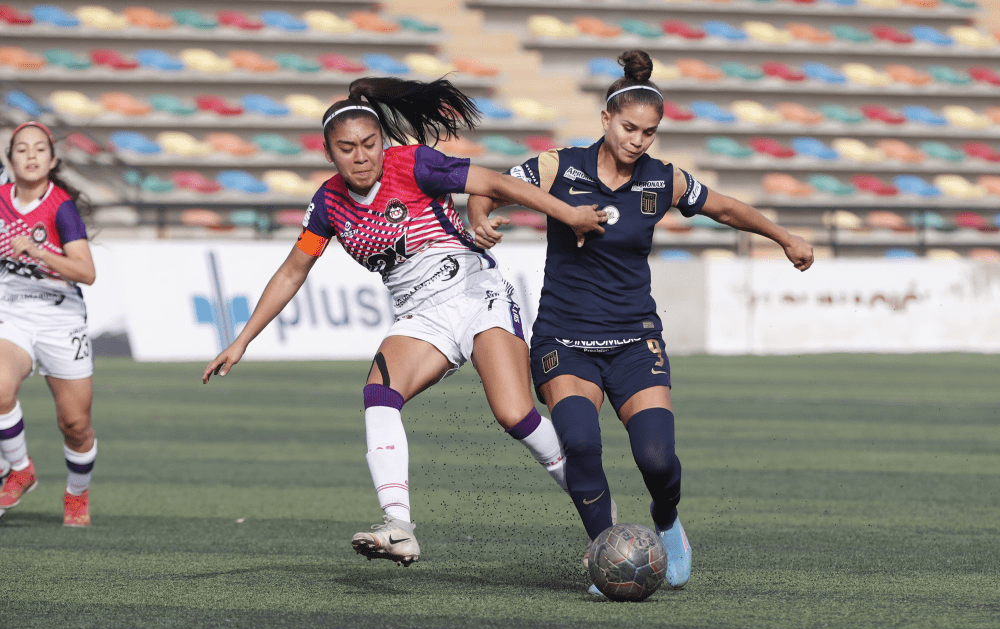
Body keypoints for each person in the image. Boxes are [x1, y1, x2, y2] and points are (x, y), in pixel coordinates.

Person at [202, 77, 607, 566]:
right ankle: (398, 526)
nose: (361, 156)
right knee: (378, 394)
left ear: (382, 142)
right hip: (421, 317)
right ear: (329, 153)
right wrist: (241, 340)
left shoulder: (414, 164)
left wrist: (570, 215)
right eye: (346, 148)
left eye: (369, 144)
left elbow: (497, 184)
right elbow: (293, 271)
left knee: (515, 415)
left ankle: (602, 528)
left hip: (474, 293)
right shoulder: (329, 203)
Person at [468, 50, 814, 595]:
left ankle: (668, 522)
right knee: (581, 443)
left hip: (634, 339)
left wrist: (785, 237)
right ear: (605, 120)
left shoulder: (663, 181)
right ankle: (607, 555)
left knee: (657, 458)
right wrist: (479, 216)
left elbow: (724, 208)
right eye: (629, 127)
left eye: (648, 132)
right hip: (565, 336)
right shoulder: (560, 167)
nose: (637, 140)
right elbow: (488, 183)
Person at [0, 121, 98, 526]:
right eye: (21, 149)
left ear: (52, 160)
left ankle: (77, 494)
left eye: (39, 149)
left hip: (61, 319)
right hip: (12, 314)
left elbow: (86, 273)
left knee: (75, 424)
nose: (30, 155)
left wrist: (37, 251)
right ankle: (20, 467)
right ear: (9, 160)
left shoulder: (61, 207)